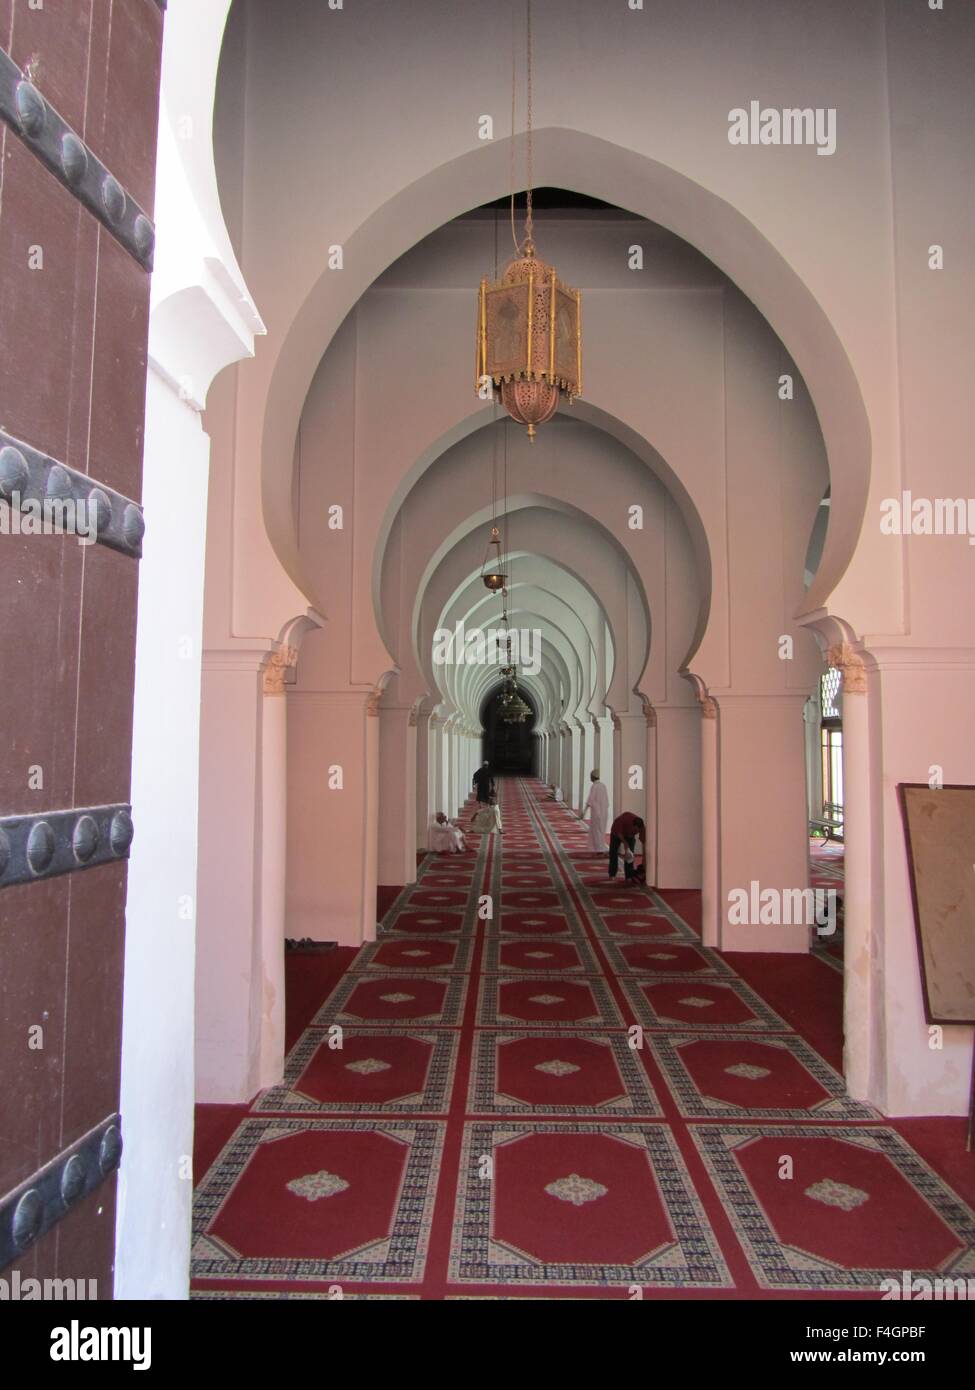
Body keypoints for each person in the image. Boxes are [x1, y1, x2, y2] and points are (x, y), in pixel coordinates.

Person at [608, 811, 645, 882]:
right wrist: (625, 843)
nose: (637, 831)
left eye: (638, 830)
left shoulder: (641, 826)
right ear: (633, 825)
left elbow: (642, 838)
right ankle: (612, 874)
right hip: (616, 834)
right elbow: (619, 834)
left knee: (630, 855)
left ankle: (629, 875)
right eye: (636, 829)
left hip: (629, 835)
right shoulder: (621, 821)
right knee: (613, 852)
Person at [582, 768, 609, 854]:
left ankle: (599, 849)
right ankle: (600, 847)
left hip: (597, 813)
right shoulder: (603, 786)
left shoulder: (594, 786)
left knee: (596, 831)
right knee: (601, 830)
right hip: (604, 813)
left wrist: (584, 812)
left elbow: (590, 800)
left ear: (593, 777)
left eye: (590, 776)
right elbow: (607, 801)